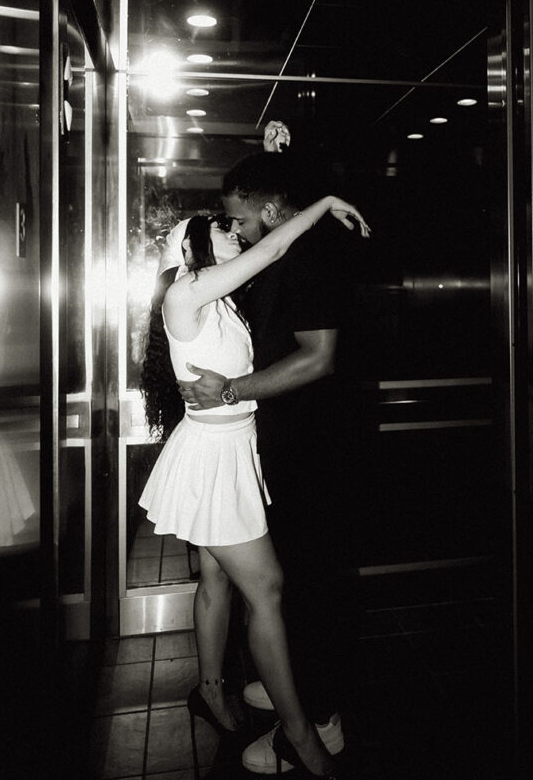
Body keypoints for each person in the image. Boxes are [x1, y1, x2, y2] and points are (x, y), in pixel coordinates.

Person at [139, 194, 370, 780]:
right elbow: (271, 245)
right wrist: (323, 204)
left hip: (229, 452)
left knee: (218, 577)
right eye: (223, 230)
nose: (235, 234)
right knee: (266, 589)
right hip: (212, 457)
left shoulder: (215, 296)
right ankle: (300, 736)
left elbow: (263, 257)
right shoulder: (186, 291)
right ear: (195, 246)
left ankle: (212, 690)